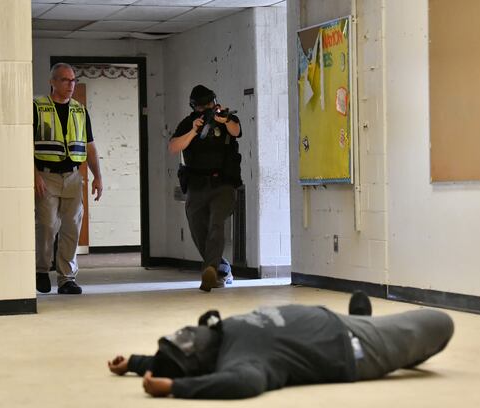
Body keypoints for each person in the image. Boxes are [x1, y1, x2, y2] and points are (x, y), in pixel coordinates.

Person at [107, 292, 454, 399]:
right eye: (187, 344)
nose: (189, 334)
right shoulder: (241, 360)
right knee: (441, 322)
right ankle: (375, 329)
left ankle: (364, 317)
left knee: (361, 308)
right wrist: (174, 387)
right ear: (200, 360)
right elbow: (245, 384)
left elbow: (175, 357)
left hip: (333, 321)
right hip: (355, 347)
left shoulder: (221, 331)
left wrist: (136, 362)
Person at [34, 62, 103, 295]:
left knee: (72, 227)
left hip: (74, 176)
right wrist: (34, 175)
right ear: (52, 82)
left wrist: (97, 176)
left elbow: (90, 147)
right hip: (46, 175)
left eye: (73, 80)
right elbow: (24, 143)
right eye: (65, 80)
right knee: (46, 225)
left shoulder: (80, 110)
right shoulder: (37, 106)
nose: (70, 84)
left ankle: (67, 279)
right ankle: (41, 270)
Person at [169, 85, 242, 292]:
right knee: (198, 231)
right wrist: (193, 130)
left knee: (216, 225)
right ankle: (221, 268)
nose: (207, 109)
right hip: (196, 185)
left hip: (223, 184)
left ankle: (210, 271)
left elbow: (236, 131)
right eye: (202, 106)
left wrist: (226, 120)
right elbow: (174, 147)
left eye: (209, 104)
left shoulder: (226, 118)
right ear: (194, 107)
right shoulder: (189, 123)